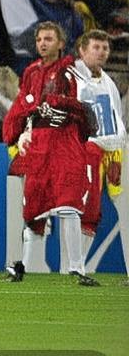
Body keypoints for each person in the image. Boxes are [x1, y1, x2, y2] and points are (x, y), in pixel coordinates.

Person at [1, 22, 98, 286]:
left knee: (68, 204)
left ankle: (76, 268)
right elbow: (22, 106)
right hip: (39, 146)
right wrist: (16, 131)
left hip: (65, 144)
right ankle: (23, 266)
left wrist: (61, 105)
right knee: (34, 208)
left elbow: (86, 107)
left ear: (60, 43)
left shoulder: (72, 70)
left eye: (49, 39)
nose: (43, 43)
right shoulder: (31, 72)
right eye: (40, 39)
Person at [67, 30, 125, 267]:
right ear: (82, 50)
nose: (102, 52)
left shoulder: (108, 82)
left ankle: (78, 265)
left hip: (106, 152)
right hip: (81, 150)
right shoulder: (72, 76)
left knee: (96, 211)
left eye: (105, 48)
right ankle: (72, 266)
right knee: (75, 208)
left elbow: (116, 120)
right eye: (96, 47)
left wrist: (116, 150)